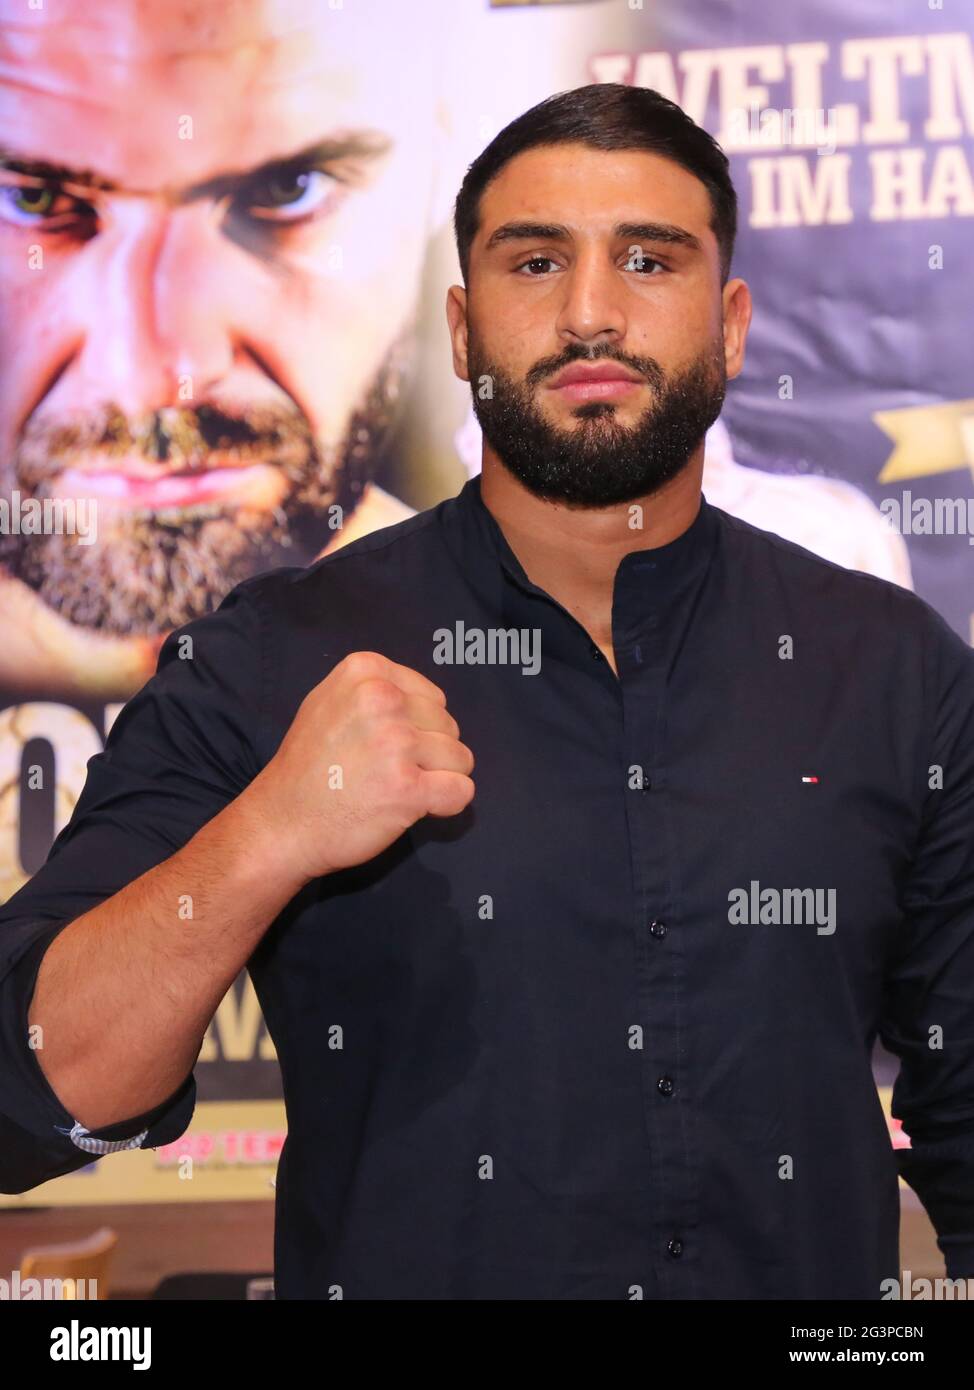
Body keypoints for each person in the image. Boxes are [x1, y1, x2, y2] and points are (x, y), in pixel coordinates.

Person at [1, 84, 972, 1300]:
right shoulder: (274, 658)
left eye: (647, 259)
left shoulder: (890, 666)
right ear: (459, 331)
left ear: (729, 327)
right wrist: (266, 837)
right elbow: (37, 1090)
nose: (588, 313)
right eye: (532, 261)